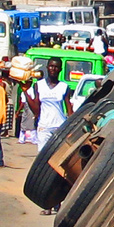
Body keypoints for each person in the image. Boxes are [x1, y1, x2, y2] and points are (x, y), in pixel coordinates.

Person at [25, 58, 72, 213]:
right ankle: (47, 204)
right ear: (47, 68)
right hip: (44, 128)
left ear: (60, 69)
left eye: (56, 67)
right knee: (44, 164)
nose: (53, 69)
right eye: (51, 66)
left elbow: (69, 108)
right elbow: (36, 110)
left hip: (59, 128)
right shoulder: (39, 86)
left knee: (58, 164)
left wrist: (72, 126)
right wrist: (26, 92)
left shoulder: (64, 87)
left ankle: (57, 200)